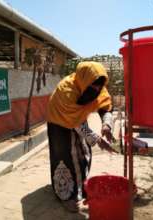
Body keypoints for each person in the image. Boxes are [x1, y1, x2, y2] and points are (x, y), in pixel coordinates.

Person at [46, 61, 115, 212]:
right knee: (65, 156)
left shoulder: (98, 88)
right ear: (84, 81)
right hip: (58, 122)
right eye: (93, 86)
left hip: (78, 118)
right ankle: (66, 195)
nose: (96, 90)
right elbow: (74, 123)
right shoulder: (67, 91)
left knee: (83, 153)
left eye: (99, 87)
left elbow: (106, 106)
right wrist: (98, 140)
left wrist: (107, 125)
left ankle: (81, 186)